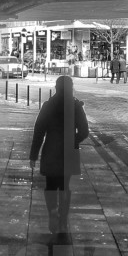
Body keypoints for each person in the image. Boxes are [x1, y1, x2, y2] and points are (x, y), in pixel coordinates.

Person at [29, 75, 90, 242]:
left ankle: (52, 212)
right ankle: (63, 220)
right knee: (65, 185)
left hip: (51, 150)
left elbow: (39, 130)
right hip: (69, 151)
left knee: (50, 184)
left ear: (56, 88)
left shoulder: (49, 105)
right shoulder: (76, 106)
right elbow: (84, 131)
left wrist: (33, 155)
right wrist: (73, 141)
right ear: (71, 88)